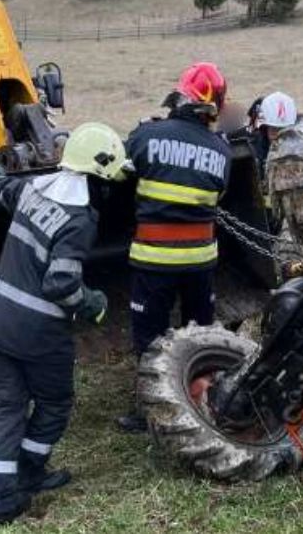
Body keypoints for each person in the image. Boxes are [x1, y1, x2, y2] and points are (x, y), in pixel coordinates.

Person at [0, 122, 129, 524]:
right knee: (54, 402)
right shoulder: (79, 219)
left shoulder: (33, 189)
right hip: (39, 333)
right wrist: (92, 303)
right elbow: (61, 283)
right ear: (98, 177)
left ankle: (1, 499)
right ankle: (29, 472)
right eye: (110, 181)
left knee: (7, 406)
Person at [117, 62, 233, 432]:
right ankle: (200, 400)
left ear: (180, 95)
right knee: (198, 334)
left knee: (151, 339)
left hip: (154, 261)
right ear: (215, 106)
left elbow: (120, 173)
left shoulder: (146, 135)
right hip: (200, 262)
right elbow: (218, 196)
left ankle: (152, 411)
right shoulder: (222, 151)